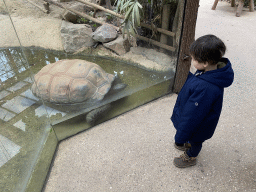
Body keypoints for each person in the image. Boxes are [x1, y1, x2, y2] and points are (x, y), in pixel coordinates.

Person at [171, 34, 234, 168]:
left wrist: (181, 135)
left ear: (205, 63)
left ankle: (191, 156)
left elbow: (192, 116)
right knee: (192, 135)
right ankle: (187, 141)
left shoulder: (205, 88)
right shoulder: (211, 72)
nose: (191, 60)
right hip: (199, 118)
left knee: (196, 141)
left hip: (200, 124)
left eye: (193, 59)